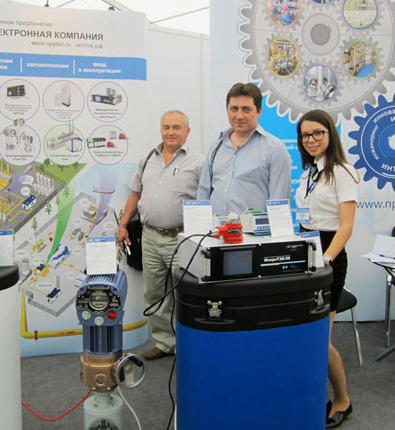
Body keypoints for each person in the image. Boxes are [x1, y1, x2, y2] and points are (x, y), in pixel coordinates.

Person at [117, 110, 204, 360]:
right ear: (161, 130)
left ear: (187, 131)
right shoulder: (148, 159)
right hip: (150, 238)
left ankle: (190, 345)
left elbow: (209, 197)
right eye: (166, 127)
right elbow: (135, 194)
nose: (171, 132)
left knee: (185, 294)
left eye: (177, 127)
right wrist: (123, 224)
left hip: (182, 239)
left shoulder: (199, 162)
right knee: (154, 293)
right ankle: (164, 343)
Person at [294, 109, 359, 428]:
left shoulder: (343, 172)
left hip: (328, 257)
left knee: (320, 339)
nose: (311, 140)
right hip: (306, 251)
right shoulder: (309, 173)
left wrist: (327, 259)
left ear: (330, 134)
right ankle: (318, 398)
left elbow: (346, 227)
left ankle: (343, 400)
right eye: (305, 135)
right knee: (307, 336)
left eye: (317, 133)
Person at [197, 82, 292, 215]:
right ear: (227, 110)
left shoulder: (275, 149)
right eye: (234, 109)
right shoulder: (216, 147)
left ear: (259, 111)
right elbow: (203, 194)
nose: (239, 116)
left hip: (254, 229)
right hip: (216, 228)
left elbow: (279, 204)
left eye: (246, 109)